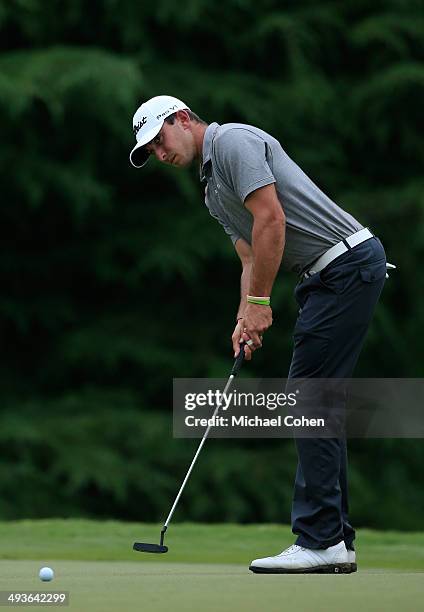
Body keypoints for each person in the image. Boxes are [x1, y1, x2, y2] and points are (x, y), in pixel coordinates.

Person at [129, 95, 390, 574]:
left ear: (183, 120)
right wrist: (243, 318)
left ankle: (321, 538)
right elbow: (250, 256)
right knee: (318, 401)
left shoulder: (232, 142)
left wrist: (262, 304)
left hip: (346, 266)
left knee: (309, 399)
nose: (159, 154)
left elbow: (273, 218)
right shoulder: (211, 192)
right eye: (149, 150)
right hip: (326, 278)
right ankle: (336, 540)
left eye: (159, 140)